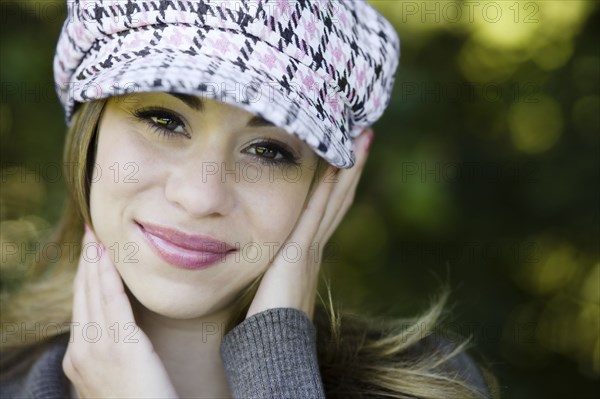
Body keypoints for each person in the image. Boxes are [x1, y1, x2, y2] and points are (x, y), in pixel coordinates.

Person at [0, 0, 498, 398]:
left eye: (269, 151)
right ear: (90, 133)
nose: (200, 195)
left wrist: (277, 369)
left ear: (328, 183)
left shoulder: (429, 384)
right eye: (164, 120)